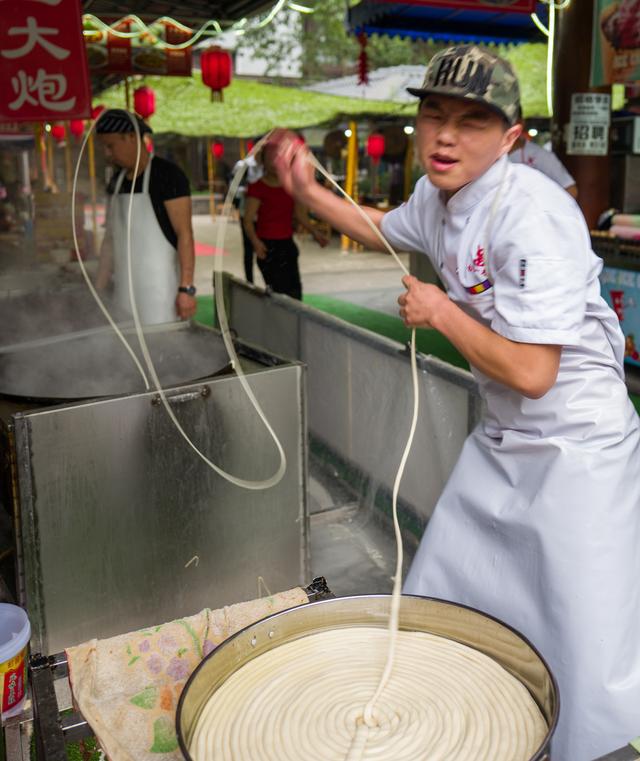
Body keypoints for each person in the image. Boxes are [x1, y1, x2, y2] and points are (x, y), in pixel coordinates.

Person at [272, 44, 640, 761]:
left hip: (580, 449)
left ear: (511, 138)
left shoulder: (531, 215)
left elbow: (535, 371)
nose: (444, 135)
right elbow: (382, 225)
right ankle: (473, 727)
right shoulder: (437, 198)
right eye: (433, 114)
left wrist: (441, 311)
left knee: (579, 634)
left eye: (472, 121)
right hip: (505, 439)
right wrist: (307, 190)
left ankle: (580, 748)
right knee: (451, 589)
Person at [95, 109, 197, 325]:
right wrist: (98, 289)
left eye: (110, 145)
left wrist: (186, 289)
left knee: (163, 351)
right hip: (124, 292)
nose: (107, 153)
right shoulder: (116, 182)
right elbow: (110, 241)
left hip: (161, 294)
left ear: (131, 137)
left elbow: (184, 234)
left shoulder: (168, 176)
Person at [243, 142, 327, 300]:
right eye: (270, 157)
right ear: (262, 160)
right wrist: (256, 243)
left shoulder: (292, 186)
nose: (275, 162)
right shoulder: (257, 187)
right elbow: (247, 220)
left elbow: (301, 215)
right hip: (267, 248)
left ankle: (294, 324)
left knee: (294, 294)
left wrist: (315, 233)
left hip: (287, 246)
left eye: (278, 157)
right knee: (277, 295)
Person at [509, 108, 578, 198]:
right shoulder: (490, 155)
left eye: (507, 122)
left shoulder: (541, 156)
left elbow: (570, 189)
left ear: (520, 123)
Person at [232, 152, 263, 284]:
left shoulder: (269, 166)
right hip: (248, 214)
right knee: (249, 249)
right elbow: (233, 188)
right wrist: (244, 192)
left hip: (265, 215)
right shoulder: (244, 166)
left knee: (265, 249)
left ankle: (269, 283)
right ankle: (249, 282)